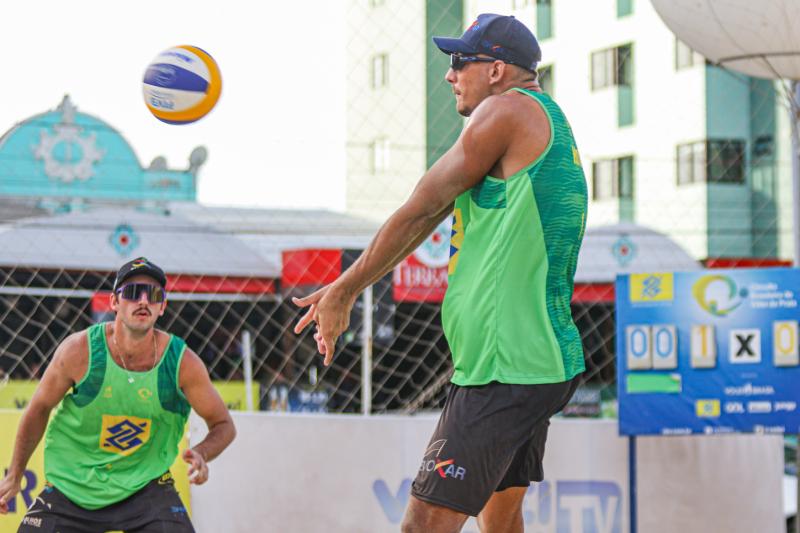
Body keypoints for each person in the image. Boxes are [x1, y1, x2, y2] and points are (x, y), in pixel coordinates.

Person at [294, 13, 587, 533]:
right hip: (529, 359)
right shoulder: (545, 118)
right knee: (501, 522)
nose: (450, 75)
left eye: (459, 62)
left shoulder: (505, 111)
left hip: (506, 365)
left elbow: (422, 208)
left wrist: (344, 289)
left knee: (422, 524)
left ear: (496, 69)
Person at [0, 257, 236, 532]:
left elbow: (224, 425)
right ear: (114, 302)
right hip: (74, 484)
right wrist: (15, 475)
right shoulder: (80, 351)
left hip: (144, 486)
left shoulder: (183, 363)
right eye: (134, 292)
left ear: (163, 307)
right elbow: (38, 408)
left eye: (154, 294)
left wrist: (201, 453)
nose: (144, 301)